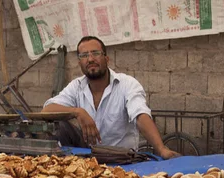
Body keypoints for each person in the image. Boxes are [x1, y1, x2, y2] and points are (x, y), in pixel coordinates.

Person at [43, 36, 179, 159]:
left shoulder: (127, 84)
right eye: (84, 55)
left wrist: (161, 149)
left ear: (106, 59)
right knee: (60, 125)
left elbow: (140, 115)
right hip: (88, 158)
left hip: (121, 158)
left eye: (95, 53)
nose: (90, 59)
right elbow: (47, 110)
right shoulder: (76, 86)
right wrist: (77, 112)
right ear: (79, 63)